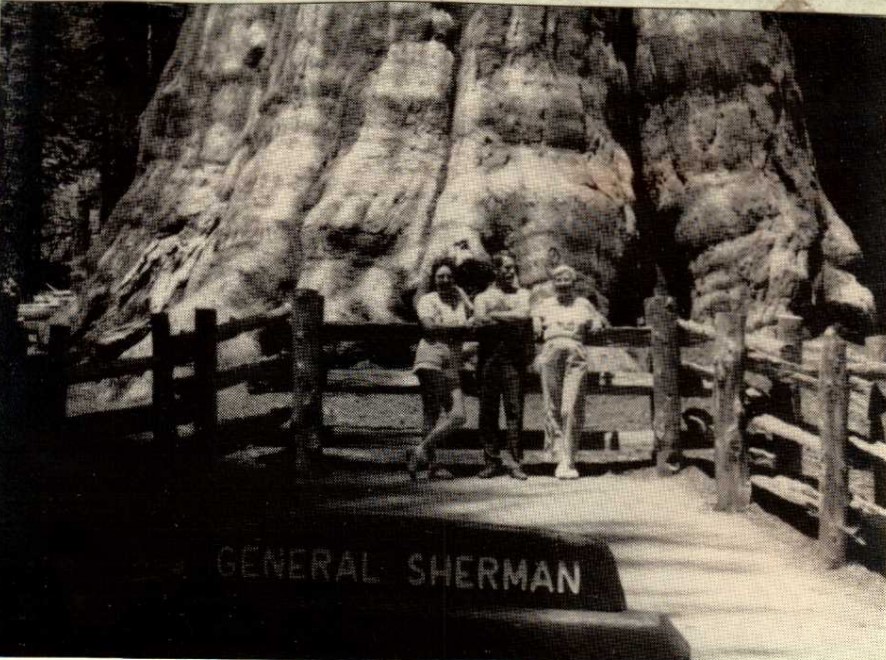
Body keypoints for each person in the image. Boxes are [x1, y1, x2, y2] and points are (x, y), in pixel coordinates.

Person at [532, 264, 607, 480]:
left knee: (570, 406)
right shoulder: (545, 304)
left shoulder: (583, 303)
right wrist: (536, 322)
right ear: (553, 284)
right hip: (551, 355)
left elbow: (598, 319)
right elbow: (535, 318)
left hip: (575, 356)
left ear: (573, 283)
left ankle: (569, 458)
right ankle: (559, 456)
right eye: (559, 281)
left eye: (567, 280)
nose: (563, 284)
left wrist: (596, 322)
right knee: (552, 405)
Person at [408, 257, 473, 481]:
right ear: (434, 279)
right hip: (431, 359)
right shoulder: (427, 300)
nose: (445, 280)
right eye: (440, 276)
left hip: (452, 363)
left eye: (449, 276)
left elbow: (474, 320)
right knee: (432, 412)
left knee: (458, 415)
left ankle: (420, 450)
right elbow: (429, 327)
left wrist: (463, 295)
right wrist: (459, 328)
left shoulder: (459, 298)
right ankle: (432, 465)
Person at [472, 251, 531, 480]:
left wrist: (494, 315)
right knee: (488, 411)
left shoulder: (523, 294)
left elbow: (524, 315)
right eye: (506, 267)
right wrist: (507, 316)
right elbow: (479, 321)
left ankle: (516, 462)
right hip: (488, 359)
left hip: (513, 360)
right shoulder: (482, 297)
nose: (511, 272)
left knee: (514, 410)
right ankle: (491, 461)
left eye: (513, 268)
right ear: (495, 271)